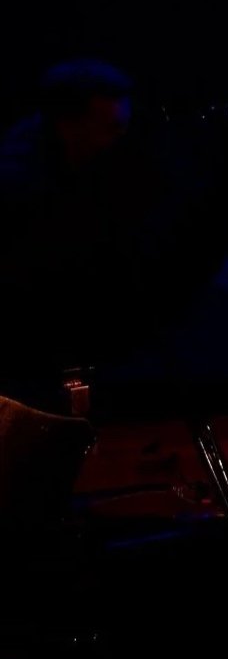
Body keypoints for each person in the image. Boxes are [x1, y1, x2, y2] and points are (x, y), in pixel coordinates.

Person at [0, 61, 159, 404]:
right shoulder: (21, 186)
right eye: (112, 128)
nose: (121, 140)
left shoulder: (75, 160)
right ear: (70, 126)